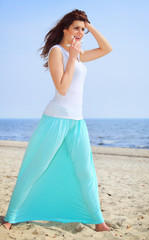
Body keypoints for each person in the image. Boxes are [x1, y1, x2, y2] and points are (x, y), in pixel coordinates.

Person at [2, 9, 113, 232]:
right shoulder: (57, 52)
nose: (80, 32)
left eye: (83, 29)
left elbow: (107, 49)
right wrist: (72, 57)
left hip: (77, 121)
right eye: (76, 28)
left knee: (85, 171)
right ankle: (10, 217)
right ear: (65, 28)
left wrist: (88, 27)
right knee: (36, 167)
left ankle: (98, 221)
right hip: (56, 119)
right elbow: (62, 88)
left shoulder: (79, 53)